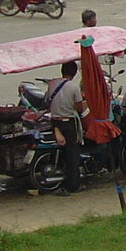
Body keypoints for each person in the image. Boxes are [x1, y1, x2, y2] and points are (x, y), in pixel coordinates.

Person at [45, 60, 88, 195]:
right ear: (75, 73)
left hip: (54, 122)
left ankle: (64, 178)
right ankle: (74, 185)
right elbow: (80, 108)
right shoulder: (74, 87)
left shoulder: (52, 84)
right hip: (68, 123)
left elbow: (47, 101)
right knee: (72, 154)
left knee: (63, 152)